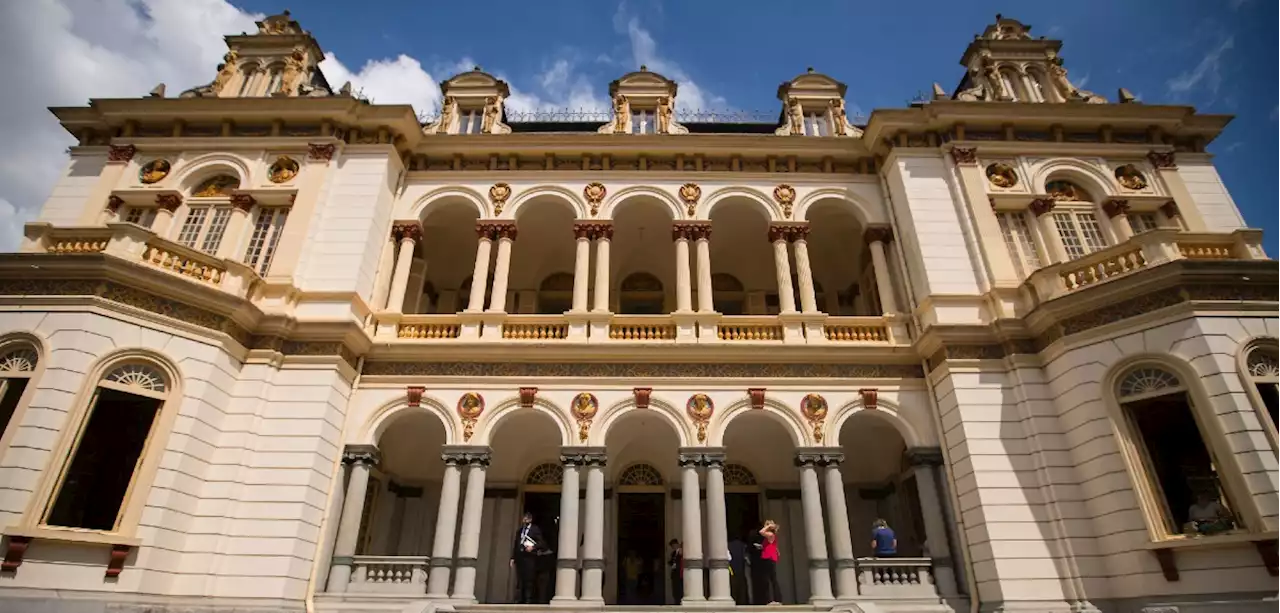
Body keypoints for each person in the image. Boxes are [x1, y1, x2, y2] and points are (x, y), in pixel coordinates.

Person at [510, 512, 544, 604]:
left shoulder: (535, 530)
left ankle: (528, 599)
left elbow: (541, 543)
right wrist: (513, 558)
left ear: (530, 519)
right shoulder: (520, 531)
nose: (525, 520)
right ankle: (519, 598)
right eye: (524, 518)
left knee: (529, 579)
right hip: (520, 557)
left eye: (527, 518)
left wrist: (532, 547)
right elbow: (516, 544)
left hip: (530, 558)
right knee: (520, 579)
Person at [758, 519, 782, 605]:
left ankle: (773, 599)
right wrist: (761, 547)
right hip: (769, 557)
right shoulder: (770, 536)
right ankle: (774, 599)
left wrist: (768, 526)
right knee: (770, 579)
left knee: (770, 579)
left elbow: (761, 532)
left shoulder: (770, 534)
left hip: (769, 557)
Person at [728, 534, 748, 604]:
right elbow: (747, 560)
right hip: (741, 571)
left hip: (732, 571)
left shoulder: (727, 546)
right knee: (741, 590)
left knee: (733, 589)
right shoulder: (743, 546)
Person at [668, 539, 684, 604]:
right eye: (672, 546)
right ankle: (676, 601)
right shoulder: (673, 553)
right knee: (675, 589)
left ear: (677, 544)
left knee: (680, 588)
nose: (673, 547)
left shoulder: (681, 551)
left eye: (674, 545)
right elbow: (672, 561)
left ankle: (680, 601)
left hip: (679, 572)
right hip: (674, 572)